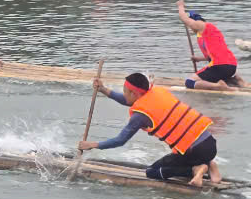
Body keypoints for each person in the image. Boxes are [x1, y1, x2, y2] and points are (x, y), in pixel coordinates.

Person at [78, 73, 221, 186]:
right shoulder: (156, 92)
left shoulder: (140, 116)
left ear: (134, 93)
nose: (124, 94)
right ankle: (208, 163)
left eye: (125, 91)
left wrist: (92, 145)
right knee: (160, 165)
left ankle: (198, 168)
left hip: (194, 152)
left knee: (152, 172)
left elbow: (120, 140)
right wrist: (103, 89)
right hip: (209, 143)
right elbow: (128, 100)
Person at [177, 0, 242, 89]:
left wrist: (180, 6)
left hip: (220, 66)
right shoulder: (208, 34)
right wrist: (198, 58)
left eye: (192, 25)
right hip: (231, 66)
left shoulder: (203, 26)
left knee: (189, 82)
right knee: (212, 77)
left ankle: (218, 86)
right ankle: (235, 80)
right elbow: (210, 56)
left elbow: (184, 18)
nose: (191, 28)